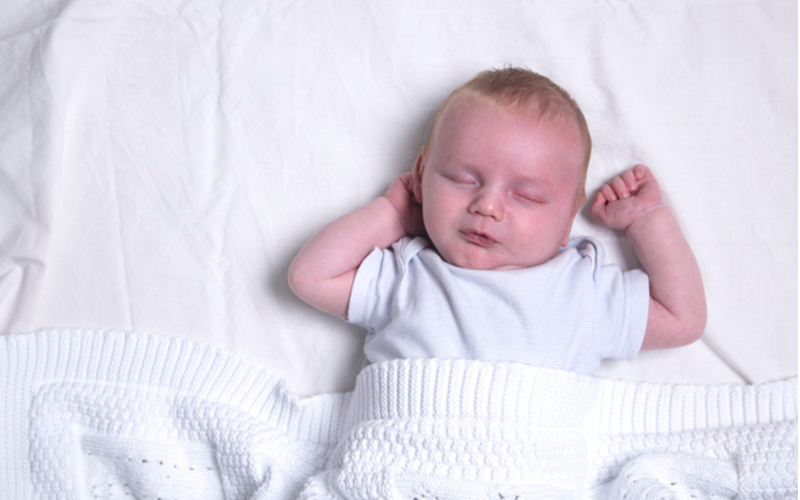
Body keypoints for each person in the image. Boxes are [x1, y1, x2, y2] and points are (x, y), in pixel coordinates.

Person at [288, 67, 706, 374]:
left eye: (526, 196)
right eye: (461, 179)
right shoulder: (409, 272)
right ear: (420, 177)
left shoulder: (583, 291)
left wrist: (647, 219)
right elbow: (310, 277)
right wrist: (393, 213)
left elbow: (682, 319)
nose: (487, 205)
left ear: (566, 221)